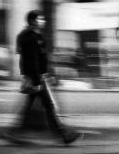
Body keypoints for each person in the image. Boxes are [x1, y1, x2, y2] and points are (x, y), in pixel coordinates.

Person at [6, 10, 82, 145]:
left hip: (38, 77)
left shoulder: (35, 36)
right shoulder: (29, 37)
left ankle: (14, 134)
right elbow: (30, 60)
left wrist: (46, 74)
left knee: (30, 108)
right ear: (33, 21)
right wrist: (37, 80)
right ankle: (64, 135)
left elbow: (38, 59)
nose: (43, 21)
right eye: (40, 19)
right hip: (36, 78)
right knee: (48, 106)